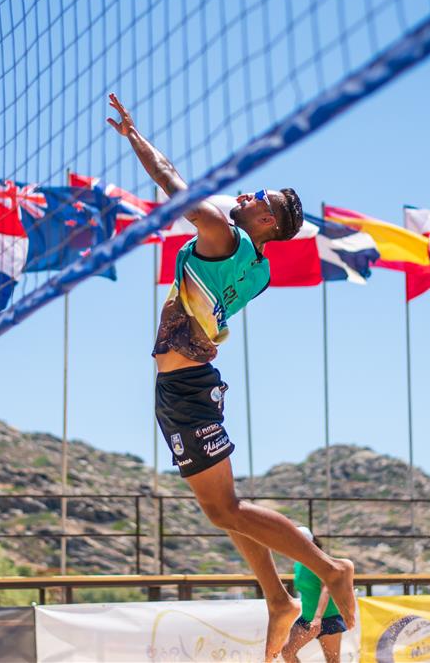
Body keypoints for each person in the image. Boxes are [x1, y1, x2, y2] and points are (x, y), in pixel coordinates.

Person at [106, 93, 356, 662]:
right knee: (226, 508)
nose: (245, 196)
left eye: (257, 199)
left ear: (266, 221)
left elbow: (173, 183)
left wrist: (135, 138)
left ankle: (328, 569)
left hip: (188, 387)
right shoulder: (260, 270)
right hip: (185, 387)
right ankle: (278, 599)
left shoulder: (222, 232)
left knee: (225, 511)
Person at [281, 527, 348, 663]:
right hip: (307, 617)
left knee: (333, 661)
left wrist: (318, 618)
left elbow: (326, 589)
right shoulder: (298, 564)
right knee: (287, 651)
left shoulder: (321, 561)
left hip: (328, 617)